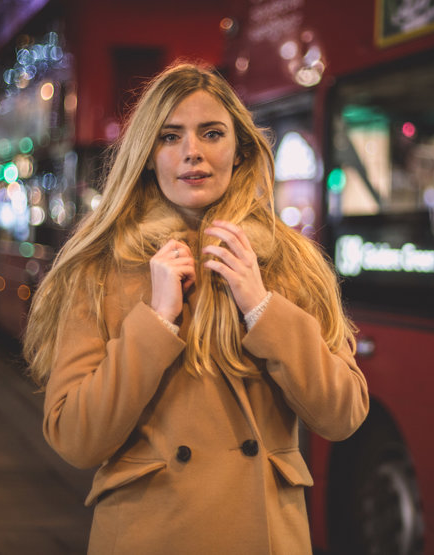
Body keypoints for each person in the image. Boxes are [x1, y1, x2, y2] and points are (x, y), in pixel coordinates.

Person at [22, 61, 369, 554]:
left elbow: (343, 414)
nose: (193, 153)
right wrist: (156, 321)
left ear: (240, 148)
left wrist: (261, 307)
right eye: (170, 137)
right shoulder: (100, 269)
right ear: (147, 155)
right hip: (149, 535)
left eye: (211, 133)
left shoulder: (288, 262)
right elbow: (76, 438)